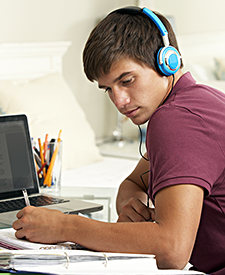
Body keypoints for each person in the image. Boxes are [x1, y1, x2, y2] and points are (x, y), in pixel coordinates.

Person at [12, 6, 225, 274]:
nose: (119, 101)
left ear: (166, 62)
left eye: (127, 80)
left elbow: (172, 251)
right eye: (108, 90)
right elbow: (135, 182)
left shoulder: (177, 120)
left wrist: (65, 226)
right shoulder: (202, 100)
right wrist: (131, 204)